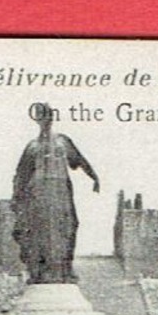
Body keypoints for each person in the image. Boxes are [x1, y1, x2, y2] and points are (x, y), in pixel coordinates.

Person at [12, 101, 101, 285]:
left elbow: (79, 159)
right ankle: (38, 271)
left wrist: (94, 177)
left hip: (61, 190)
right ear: (37, 120)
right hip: (38, 192)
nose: (46, 120)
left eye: (48, 115)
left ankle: (65, 269)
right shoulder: (32, 147)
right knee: (39, 229)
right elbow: (21, 174)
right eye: (42, 116)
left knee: (67, 226)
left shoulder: (62, 141)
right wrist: (17, 198)